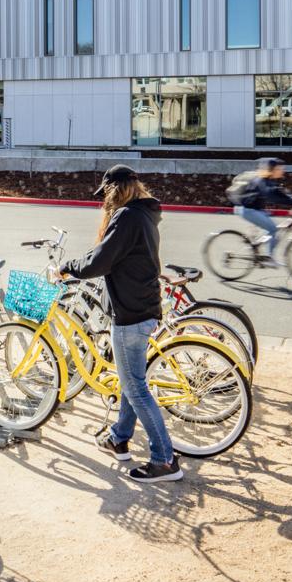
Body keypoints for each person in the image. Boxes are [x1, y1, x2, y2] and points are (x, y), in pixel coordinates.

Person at [61, 164, 182, 483]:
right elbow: (110, 254)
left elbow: (100, 261)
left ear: (115, 191)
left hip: (130, 314)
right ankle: (119, 438)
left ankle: (165, 459)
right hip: (143, 308)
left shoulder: (126, 217)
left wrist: (68, 267)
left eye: (106, 195)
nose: (105, 202)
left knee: (135, 387)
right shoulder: (144, 214)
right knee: (132, 380)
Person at [228, 157, 292, 266]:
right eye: (280, 169)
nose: (282, 171)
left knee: (272, 229)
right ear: (272, 169)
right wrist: (291, 202)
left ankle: (256, 248)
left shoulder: (269, 180)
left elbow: (278, 192)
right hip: (247, 210)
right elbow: (270, 195)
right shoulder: (261, 180)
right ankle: (269, 258)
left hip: (254, 209)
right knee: (273, 229)